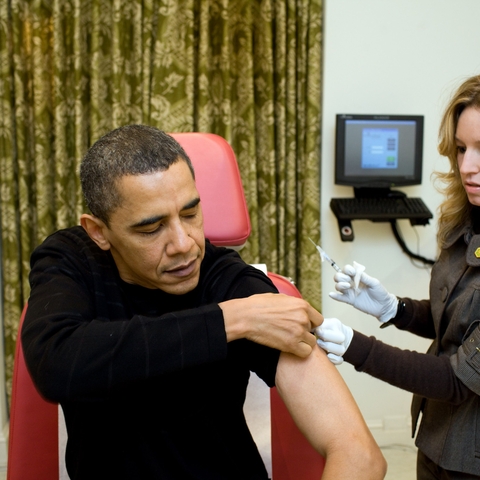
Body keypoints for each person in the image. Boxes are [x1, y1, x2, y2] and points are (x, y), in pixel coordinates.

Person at [21, 125, 386, 480]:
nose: (184, 244)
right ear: (99, 231)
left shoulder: (231, 282)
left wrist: (237, 312)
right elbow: (58, 364)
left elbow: (359, 456)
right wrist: (230, 322)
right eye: (151, 228)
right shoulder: (71, 260)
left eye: (191, 213)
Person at [315, 74, 480, 479]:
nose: (466, 167)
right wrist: (395, 309)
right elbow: (456, 324)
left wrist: (357, 348)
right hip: (437, 436)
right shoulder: (465, 224)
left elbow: (458, 378)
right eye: (460, 149)